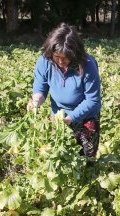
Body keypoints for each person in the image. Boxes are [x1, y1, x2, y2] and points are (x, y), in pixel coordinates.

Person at [27, 23, 102, 161]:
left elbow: (93, 100)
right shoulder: (45, 61)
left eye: (65, 57)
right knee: (59, 155)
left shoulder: (87, 65)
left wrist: (70, 118)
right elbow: (40, 87)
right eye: (57, 56)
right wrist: (36, 100)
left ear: (75, 54)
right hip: (58, 116)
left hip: (86, 117)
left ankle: (87, 180)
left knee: (86, 158)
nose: (60, 61)